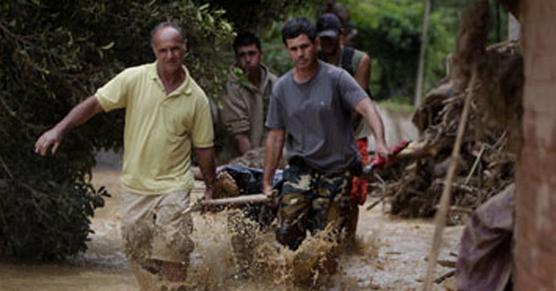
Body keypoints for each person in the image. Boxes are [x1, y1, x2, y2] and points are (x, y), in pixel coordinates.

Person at [34, 22, 217, 289]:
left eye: (175, 49)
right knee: (139, 256)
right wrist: (59, 130)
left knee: (173, 248)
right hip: (136, 186)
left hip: (174, 186)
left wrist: (211, 187)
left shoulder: (196, 98)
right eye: (163, 50)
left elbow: (204, 148)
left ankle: (176, 282)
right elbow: (95, 103)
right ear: (154, 50)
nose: (170, 56)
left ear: (185, 48)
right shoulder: (134, 79)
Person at [262, 17, 389, 250]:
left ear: (316, 44)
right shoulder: (281, 87)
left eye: (305, 46)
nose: (300, 54)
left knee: (326, 241)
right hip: (300, 168)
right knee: (285, 233)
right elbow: (275, 136)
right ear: (287, 50)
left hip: (337, 168)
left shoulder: (337, 77)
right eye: (294, 49)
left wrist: (380, 141)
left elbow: (367, 107)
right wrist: (267, 182)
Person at [316, 12, 373, 241]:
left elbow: (357, 105)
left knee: (351, 193)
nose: (328, 43)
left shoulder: (359, 60)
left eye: (332, 38)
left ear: (341, 36)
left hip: (352, 133)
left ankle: (349, 241)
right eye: (323, 39)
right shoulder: (311, 61)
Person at [220, 32, 278, 156]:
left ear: (260, 54)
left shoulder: (274, 83)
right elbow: (239, 134)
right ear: (236, 58)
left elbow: (275, 128)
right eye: (242, 55)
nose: (247, 59)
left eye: (252, 53)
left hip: (270, 155)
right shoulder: (230, 86)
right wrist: (253, 165)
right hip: (238, 159)